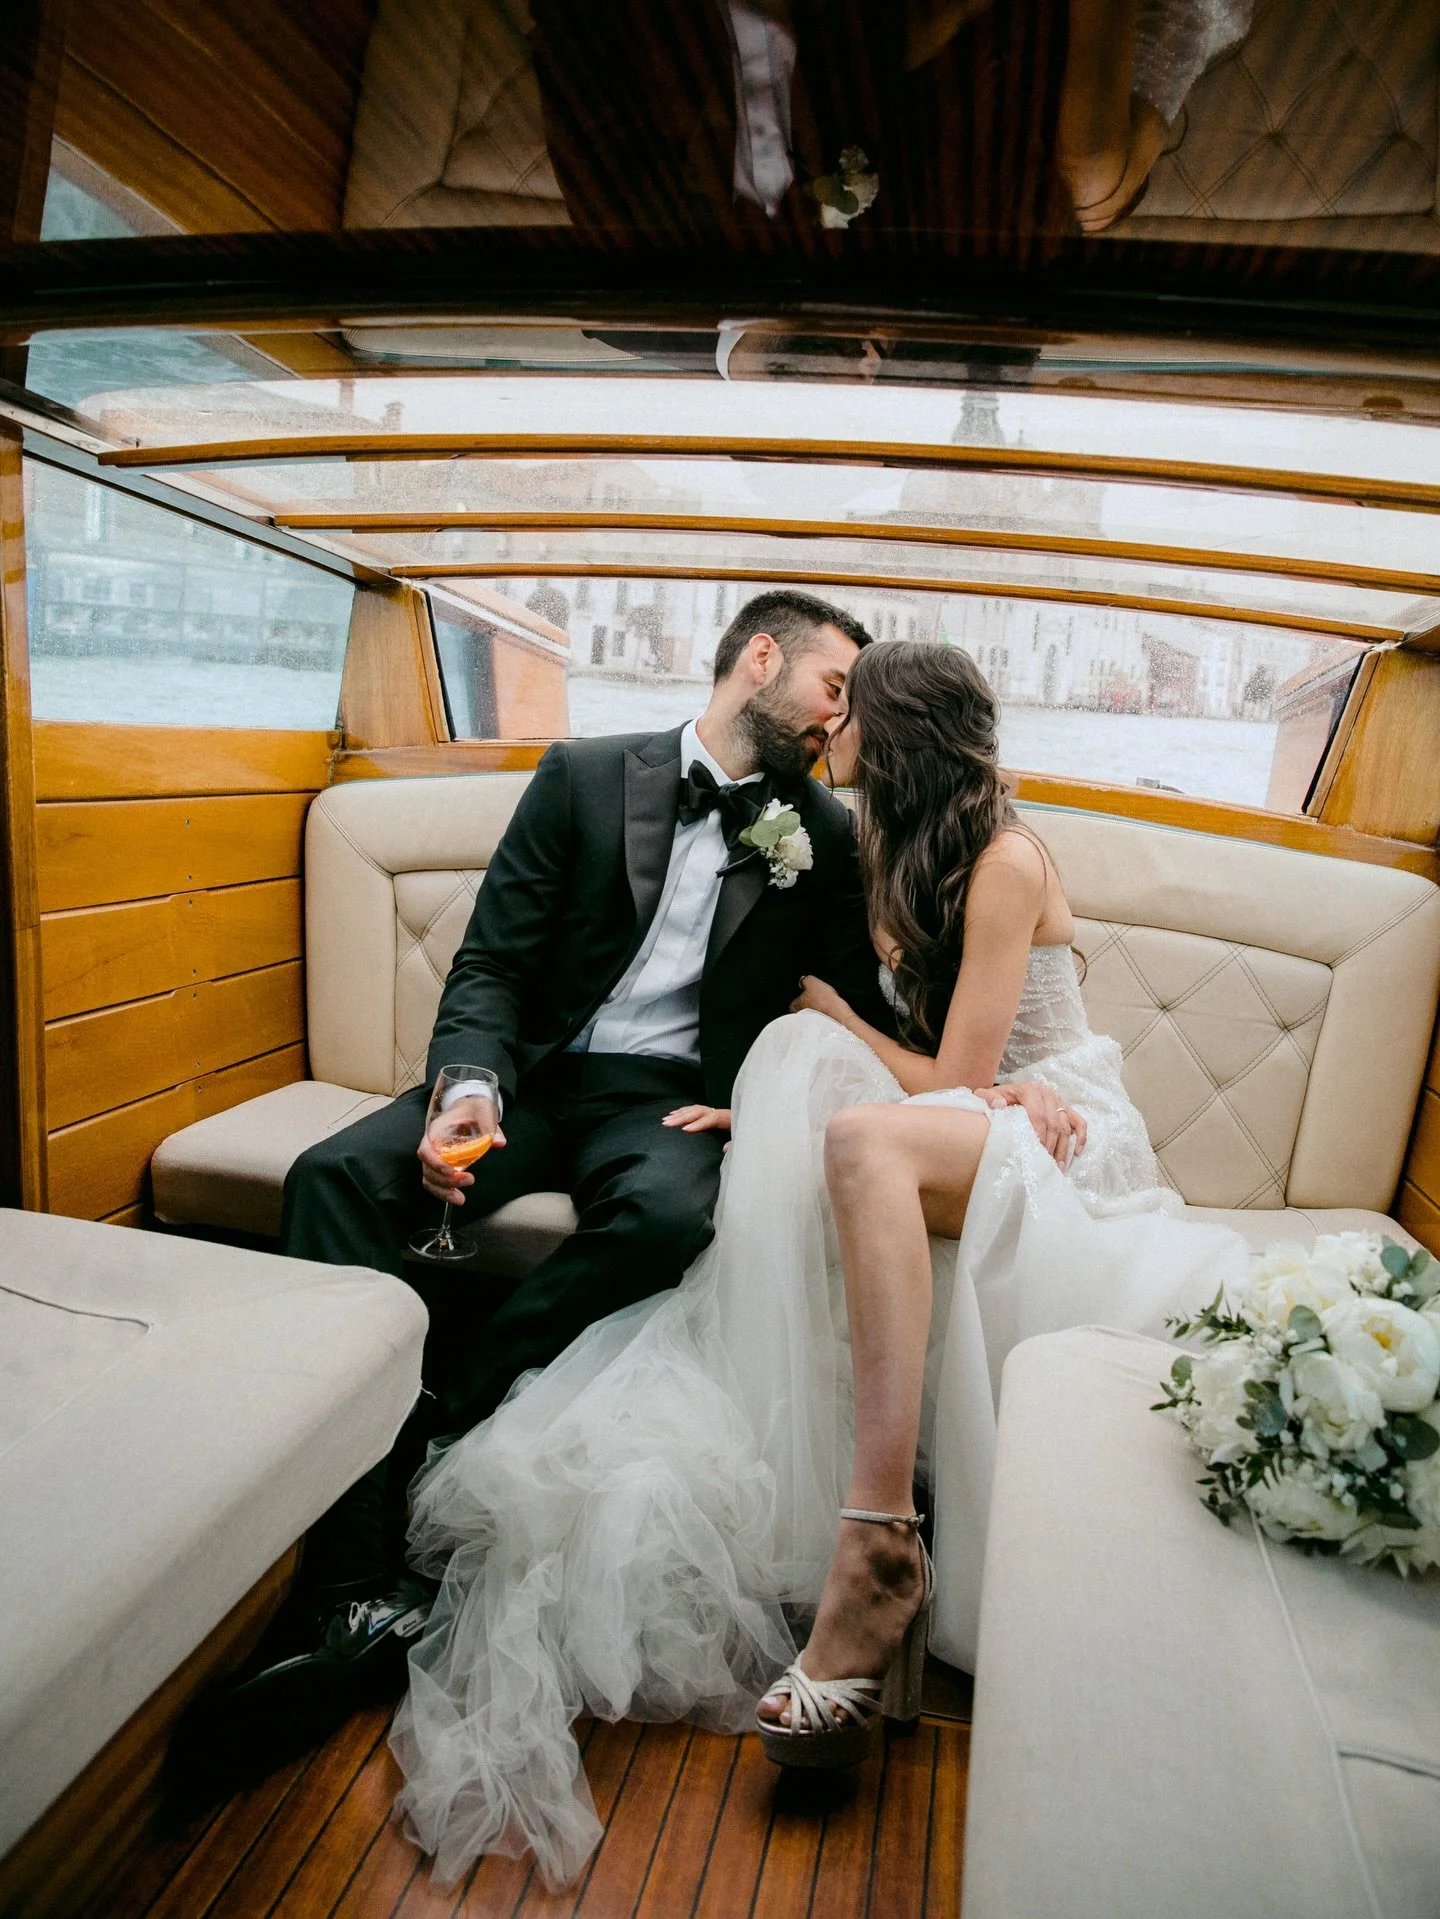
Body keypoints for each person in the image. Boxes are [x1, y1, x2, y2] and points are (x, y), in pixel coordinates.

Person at [389, 640, 1249, 1884]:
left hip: (1056, 1123)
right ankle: (862, 1530)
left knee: (847, 1124)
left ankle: (877, 1540)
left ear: (892, 735)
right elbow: (909, 1052)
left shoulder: (1007, 859)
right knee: (808, 1104)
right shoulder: (881, 845)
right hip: (958, 1115)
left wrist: (836, 1025)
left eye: (849, 706)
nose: (826, 721)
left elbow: (957, 1073)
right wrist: (769, 1099)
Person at [209, 589, 895, 1752]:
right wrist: (469, 1087)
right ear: (760, 659)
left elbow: (841, 1001)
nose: (838, 716)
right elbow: (493, 960)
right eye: (833, 685)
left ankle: (442, 1404)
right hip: (531, 1076)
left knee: (668, 1217)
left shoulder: (822, 833)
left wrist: (768, 1098)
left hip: (666, 1102)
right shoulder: (582, 774)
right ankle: (347, 1577)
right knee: (332, 1175)